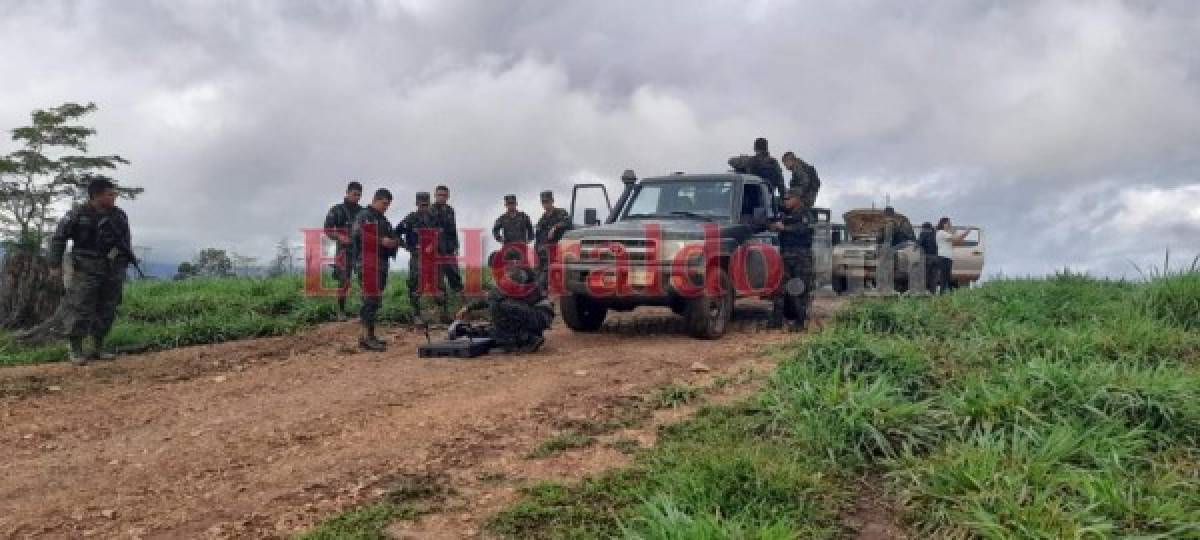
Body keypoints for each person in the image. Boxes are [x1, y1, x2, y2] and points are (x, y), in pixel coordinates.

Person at [48, 176, 133, 365]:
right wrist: (55, 266)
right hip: (84, 269)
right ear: (96, 195)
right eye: (110, 194)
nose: (114, 197)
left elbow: (125, 242)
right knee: (80, 307)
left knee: (107, 307)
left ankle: (98, 346)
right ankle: (75, 348)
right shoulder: (77, 214)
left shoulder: (119, 215)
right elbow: (59, 238)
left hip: (112, 269)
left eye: (114, 194)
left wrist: (123, 264)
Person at [455, 263, 554, 353]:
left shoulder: (519, 274)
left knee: (499, 307)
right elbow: (492, 296)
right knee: (497, 325)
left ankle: (529, 339)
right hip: (535, 313)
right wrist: (468, 307)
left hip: (540, 315)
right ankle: (526, 336)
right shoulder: (515, 272)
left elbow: (495, 298)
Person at [352, 188, 401, 351]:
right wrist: (381, 241)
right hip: (367, 263)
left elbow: (394, 237)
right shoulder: (364, 215)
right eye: (384, 203)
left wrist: (395, 242)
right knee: (370, 300)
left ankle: (370, 336)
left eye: (388, 204)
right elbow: (359, 234)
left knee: (374, 301)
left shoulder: (384, 220)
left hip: (380, 264)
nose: (386, 207)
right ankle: (365, 338)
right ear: (375, 199)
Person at [767, 188, 814, 331]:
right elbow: (773, 225)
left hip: (801, 257)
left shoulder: (805, 214)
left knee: (799, 289)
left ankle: (800, 323)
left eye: (788, 199)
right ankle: (776, 321)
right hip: (785, 255)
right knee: (780, 289)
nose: (785, 202)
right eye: (785, 199)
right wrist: (774, 226)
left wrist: (784, 228)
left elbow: (804, 229)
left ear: (797, 199)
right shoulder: (785, 214)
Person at [323, 181, 363, 319]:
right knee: (344, 281)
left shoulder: (362, 212)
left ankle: (365, 310)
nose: (357, 197)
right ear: (347, 193)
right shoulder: (337, 210)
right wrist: (339, 236)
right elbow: (327, 230)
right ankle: (341, 310)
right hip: (344, 251)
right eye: (354, 194)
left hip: (360, 251)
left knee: (364, 279)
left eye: (359, 195)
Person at [401, 192, 439, 323]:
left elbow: (438, 235)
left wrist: (433, 245)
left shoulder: (434, 218)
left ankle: (441, 313)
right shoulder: (410, 218)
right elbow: (396, 232)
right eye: (422, 204)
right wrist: (407, 247)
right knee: (415, 284)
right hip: (417, 257)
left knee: (437, 283)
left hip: (432, 256)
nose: (424, 207)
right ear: (417, 204)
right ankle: (416, 314)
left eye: (426, 205)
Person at [429, 185, 463, 320]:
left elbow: (453, 229)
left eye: (444, 195)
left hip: (449, 250)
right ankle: (443, 314)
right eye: (439, 195)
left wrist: (456, 245)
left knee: (456, 279)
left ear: (448, 196)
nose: (442, 197)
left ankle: (463, 311)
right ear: (435, 195)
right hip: (436, 251)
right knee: (439, 283)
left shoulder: (450, 210)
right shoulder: (430, 210)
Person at [534, 190, 571, 289]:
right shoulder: (542, 220)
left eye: (547, 201)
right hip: (544, 255)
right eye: (543, 202)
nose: (545, 204)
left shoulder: (561, 213)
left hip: (559, 253)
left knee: (544, 280)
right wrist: (536, 254)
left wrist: (555, 227)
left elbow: (568, 223)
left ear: (552, 201)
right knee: (535, 277)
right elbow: (537, 240)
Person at [730, 138, 786, 202]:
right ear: (766, 148)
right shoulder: (773, 162)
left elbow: (731, 161)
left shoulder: (750, 161)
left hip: (750, 198)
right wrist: (783, 199)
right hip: (767, 199)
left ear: (755, 148)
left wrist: (743, 158)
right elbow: (781, 183)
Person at [935, 217, 973, 293]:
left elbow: (958, 241)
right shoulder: (941, 232)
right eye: (948, 223)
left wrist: (954, 233)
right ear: (943, 224)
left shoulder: (945, 233)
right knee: (944, 278)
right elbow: (957, 238)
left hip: (947, 257)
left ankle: (947, 293)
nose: (950, 225)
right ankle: (943, 294)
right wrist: (967, 231)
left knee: (947, 277)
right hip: (943, 257)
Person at [492, 194, 534, 261]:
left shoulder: (523, 217)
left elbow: (531, 230)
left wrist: (528, 240)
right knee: (506, 267)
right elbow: (495, 230)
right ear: (505, 205)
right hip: (508, 248)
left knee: (526, 267)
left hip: (522, 247)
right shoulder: (502, 218)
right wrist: (500, 239)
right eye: (509, 204)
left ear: (516, 203)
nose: (511, 205)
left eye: (512, 203)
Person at [917, 221, 938, 293]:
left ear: (924, 228)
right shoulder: (935, 234)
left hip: (927, 258)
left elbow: (919, 244)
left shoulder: (923, 234)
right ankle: (933, 293)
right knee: (934, 278)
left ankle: (924, 293)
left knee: (925, 276)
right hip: (936, 258)